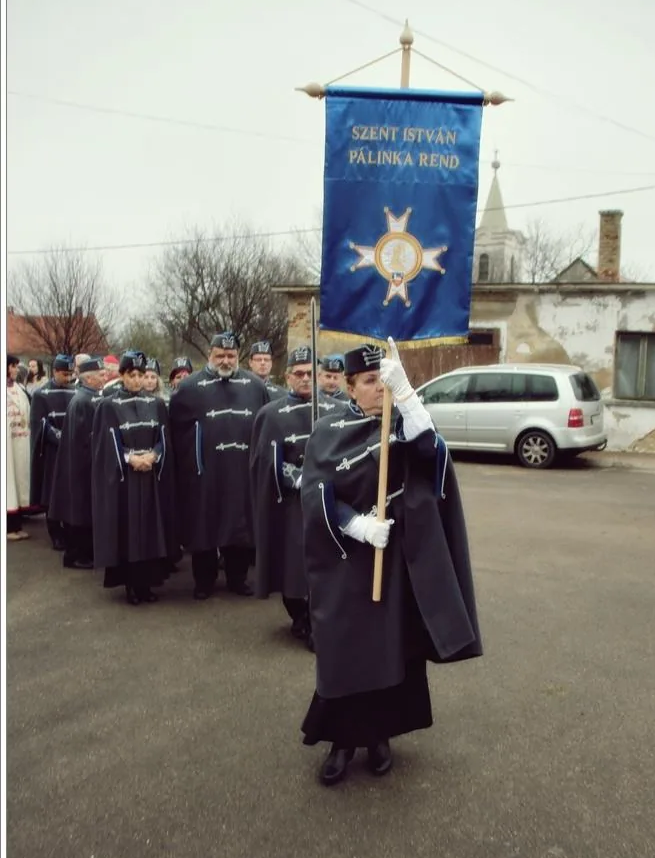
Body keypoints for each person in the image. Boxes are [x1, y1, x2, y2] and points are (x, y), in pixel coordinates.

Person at [300, 338, 483, 786]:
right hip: (348, 563)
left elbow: (434, 455)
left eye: (383, 380)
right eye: (370, 381)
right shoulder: (327, 430)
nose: (378, 388)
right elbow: (315, 492)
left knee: (390, 649)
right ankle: (342, 742)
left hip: (396, 562)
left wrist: (406, 393)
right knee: (346, 652)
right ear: (349, 387)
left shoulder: (404, 422)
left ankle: (380, 736)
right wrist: (357, 525)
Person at [169, 332, 269, 599]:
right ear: (209, 355)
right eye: (220, 355)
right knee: (204, 526)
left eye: (231, 356)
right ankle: (204, 581)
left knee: (240, 527)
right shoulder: (189, 388)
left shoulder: (255, 386)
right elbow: (175, 430)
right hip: (204, 473)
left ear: (238, 356)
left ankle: (238, 578)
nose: (226, 361)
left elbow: (265, 427)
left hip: (242, 472)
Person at [250, 346, 338, 647]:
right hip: (292, 503)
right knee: (294, 566)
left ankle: (321, 622)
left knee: (326, 563)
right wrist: (300, 478)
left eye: (311, 373)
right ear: (287, 376)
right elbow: (265, 461)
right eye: (299, 373)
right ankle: (300, 616)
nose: (305, 379)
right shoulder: (270, 415)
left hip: (328, 501)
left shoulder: (337, 410)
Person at [91, 350, 177, 604]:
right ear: (122, 376)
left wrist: (154, 455)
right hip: (125, 479)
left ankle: (147, 584)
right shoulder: (108, 405)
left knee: (150, 530)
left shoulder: (156, 404)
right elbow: (105, 443)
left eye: (141, 375)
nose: (137, 380)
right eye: (132, 375)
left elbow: (164, 437)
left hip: (150, 476)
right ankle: (131, 584)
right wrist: (130, 458)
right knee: (129, 531)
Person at [48, 356, 105, 569]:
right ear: (89, 379)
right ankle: (76, 556)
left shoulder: (87, 398)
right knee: (79, 514)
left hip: (82, 466)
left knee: (83, 513)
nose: (104, 377)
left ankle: (84, 553)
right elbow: (85, 438)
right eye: (100, 375)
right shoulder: (83, 401)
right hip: (81, 467)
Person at [29, 354, 76, 550]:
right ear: (55, 371)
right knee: (52, 493)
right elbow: (41, 426)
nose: (68, 378)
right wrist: (62, 439)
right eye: (65, 374)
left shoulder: (75, 391)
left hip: (72, 451)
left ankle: (70, 529)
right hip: (52, 452)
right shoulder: (41, 395)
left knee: (70, 492)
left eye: (71, 374)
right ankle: (55, 532)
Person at [7, 355, 34, 541]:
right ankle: (9, 528)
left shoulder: (19, 389)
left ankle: (17, 526)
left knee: (18, 484)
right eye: (14, 366)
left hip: (20, 442)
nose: (17, 370)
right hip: (7, 446)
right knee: (8, 486)